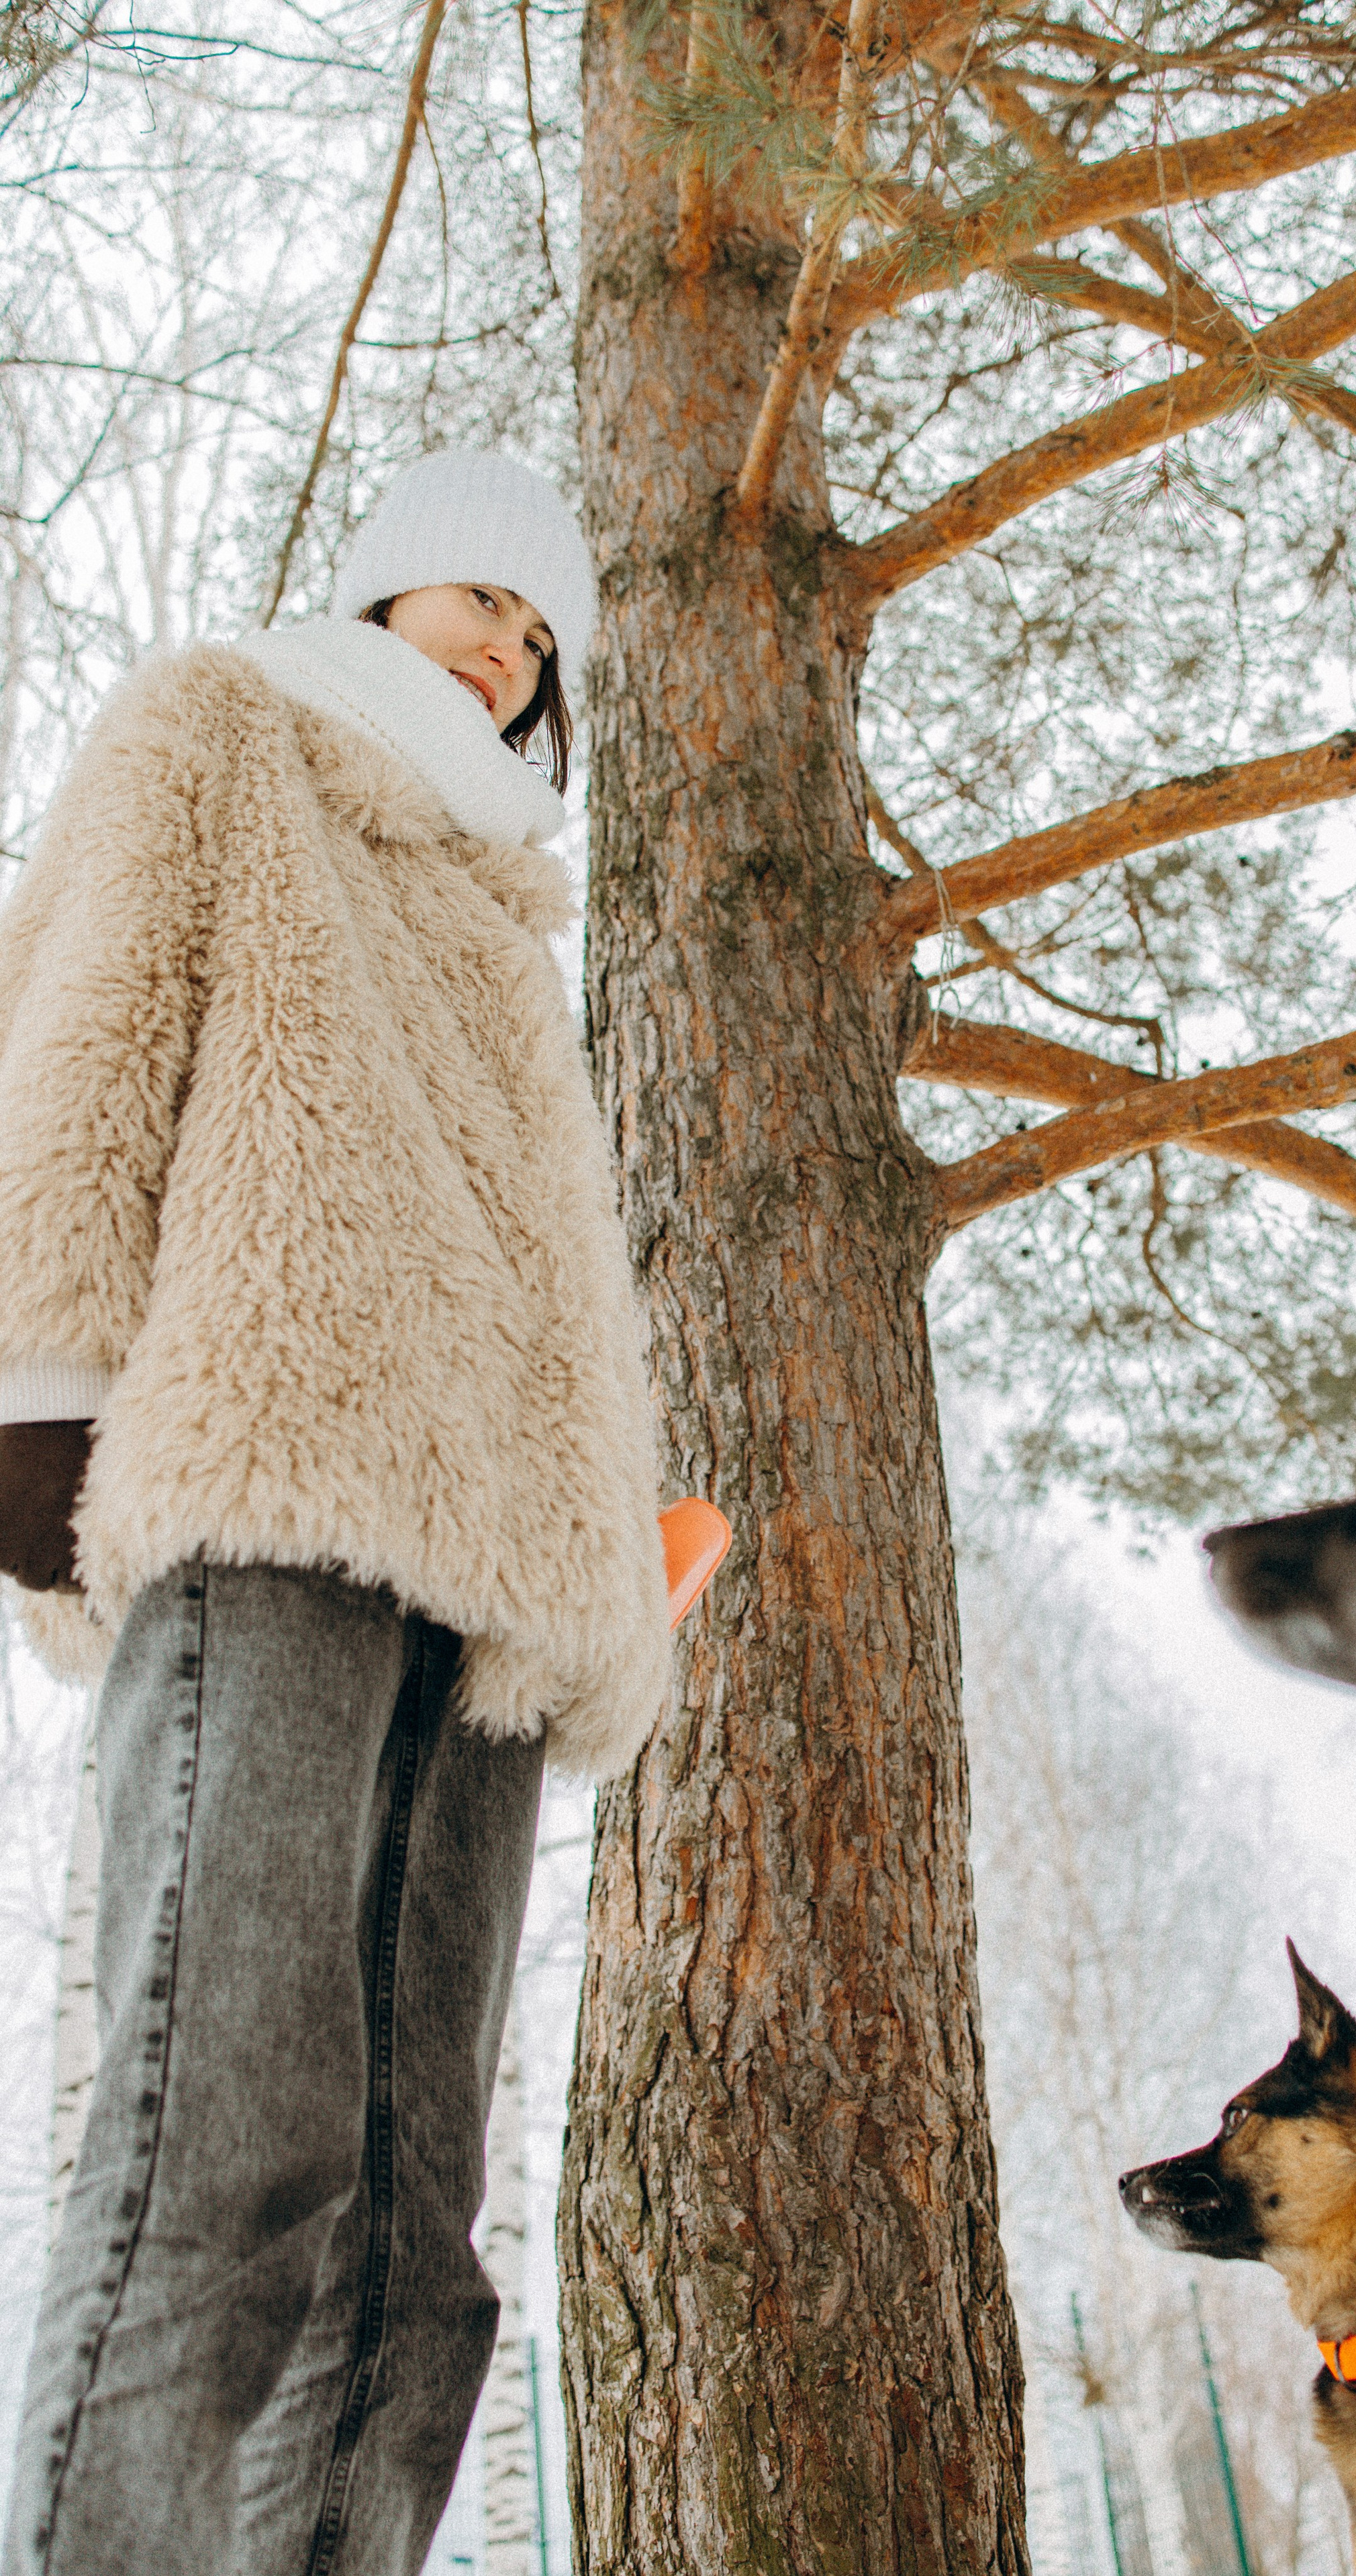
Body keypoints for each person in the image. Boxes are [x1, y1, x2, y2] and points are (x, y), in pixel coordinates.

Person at [0, 451, 671, 2576]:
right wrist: (39, 1398)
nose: (510, 648)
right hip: (278, 1489)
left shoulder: (503, 898)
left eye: (544, 639)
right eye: (484, 598)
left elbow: (555, 1287)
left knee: (414, 2246)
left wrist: (610, 1559)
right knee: (229, 2144)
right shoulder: (223, 727)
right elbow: (84, 1040)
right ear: (383, 588)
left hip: (489, 1609)